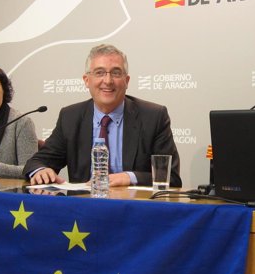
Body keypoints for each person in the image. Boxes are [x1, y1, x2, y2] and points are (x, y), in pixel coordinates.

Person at [23, 44, 182, 187]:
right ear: (87, 80)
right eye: (99, 73)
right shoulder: (70, 117)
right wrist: (41, 170)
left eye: (116, 73)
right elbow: (37, 161)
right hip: (84, 210)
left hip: (134, 209)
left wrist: (129, 177)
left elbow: (171, 178)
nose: (108, 80)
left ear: (126, 81)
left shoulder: (153, 117)